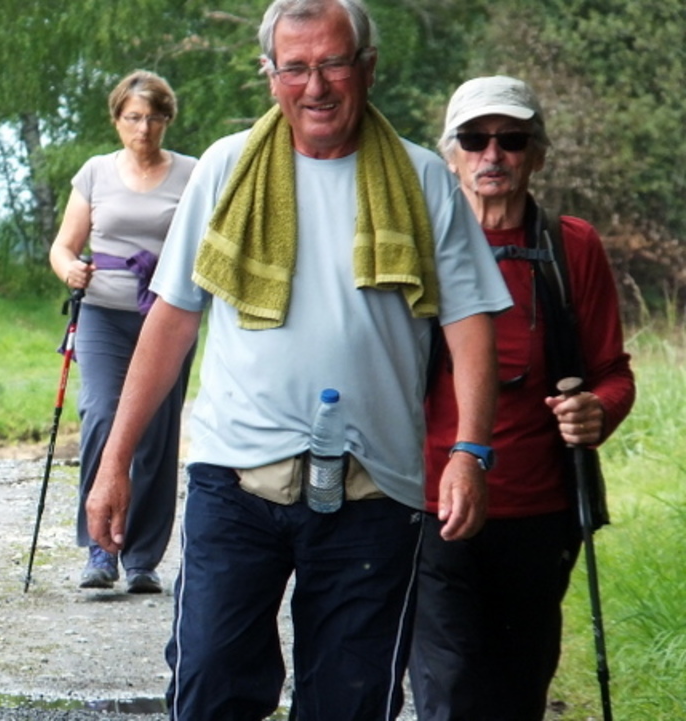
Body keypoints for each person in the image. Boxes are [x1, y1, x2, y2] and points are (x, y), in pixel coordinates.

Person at [85, 0, 512, 718]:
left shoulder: (422, 178)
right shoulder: (226, 168)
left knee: (350, 702)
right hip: (233, 482)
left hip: (375, 492)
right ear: (270, 75)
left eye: (334, 64)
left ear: (367, 67)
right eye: (296, 68)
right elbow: (173, 319)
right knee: (210, 689)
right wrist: (114, 461)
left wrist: (470, 451)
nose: (316, 86)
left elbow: (469, 323)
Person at [409, 76, 636, 720]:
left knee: (516, 690)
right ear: (449, 154)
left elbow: (613, 373)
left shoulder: (571, 247)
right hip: (429, 503)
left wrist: (597, 411)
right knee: (449, 687)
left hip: (539, 509)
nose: (492, 154)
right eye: (474, 139)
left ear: (537, 154)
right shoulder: (417, 245)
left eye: (511, 139)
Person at [48, 70, 197, 594]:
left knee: (157, 430)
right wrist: (69, 269)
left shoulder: (192, 174)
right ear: (117, 120)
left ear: (167, 120)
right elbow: (63, 247)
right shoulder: (95, 173)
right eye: (133, 117)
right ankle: (100, 548)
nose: (143, 128)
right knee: (102, 413)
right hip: (104, 313)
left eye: (154, 117)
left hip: (166, 316)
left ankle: (142, 559)